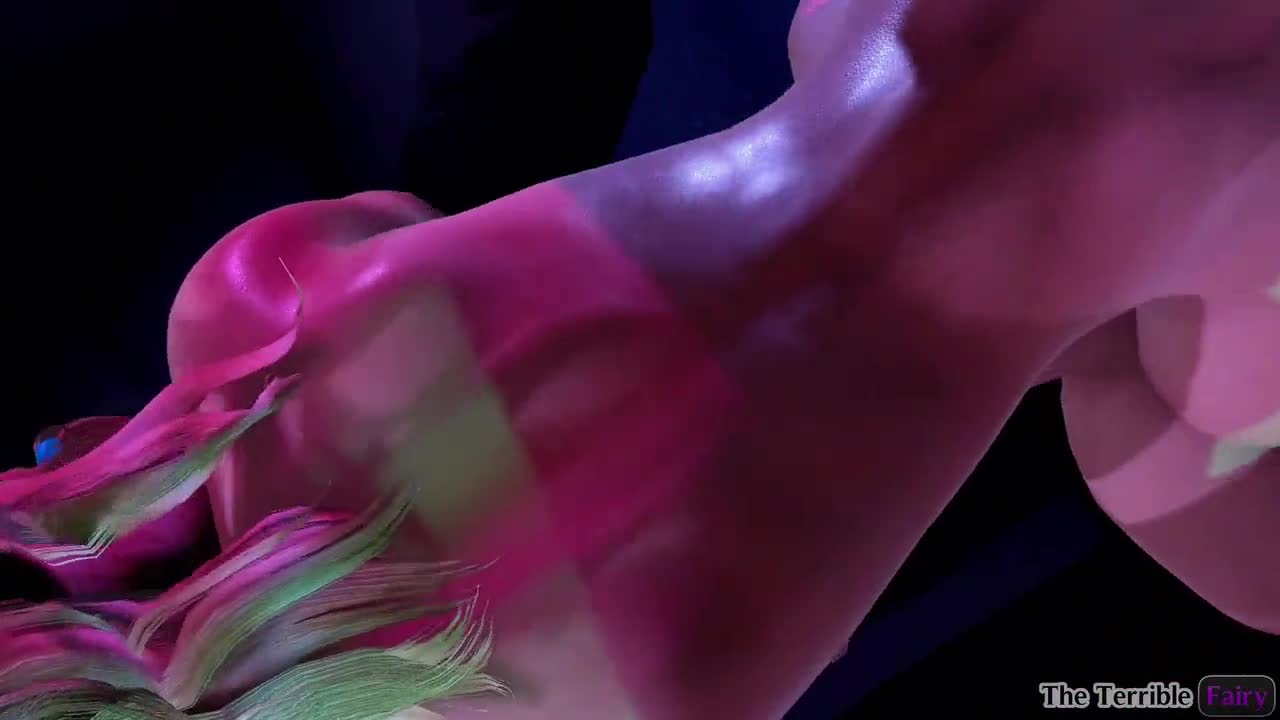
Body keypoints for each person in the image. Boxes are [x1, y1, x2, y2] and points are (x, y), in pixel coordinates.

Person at [5, 0, 1279, 717]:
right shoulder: (250, 309)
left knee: (1213, 540)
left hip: (1221, 176)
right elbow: (389, 220)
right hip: (879, 31)